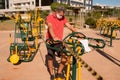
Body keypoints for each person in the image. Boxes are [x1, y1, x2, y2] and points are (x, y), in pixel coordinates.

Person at [46, 6, 79, 80]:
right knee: (50, 58)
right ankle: (52, 74)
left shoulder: (63, 18)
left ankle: (59, 72)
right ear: (56, 12)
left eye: (62, 15)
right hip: (50, 40)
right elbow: (50, 26)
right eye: (60, 15)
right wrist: (54, 36)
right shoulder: (50, 17)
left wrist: (75, 31)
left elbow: (69, 25)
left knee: (64, 57)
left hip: (59, 41)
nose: (61, 16)